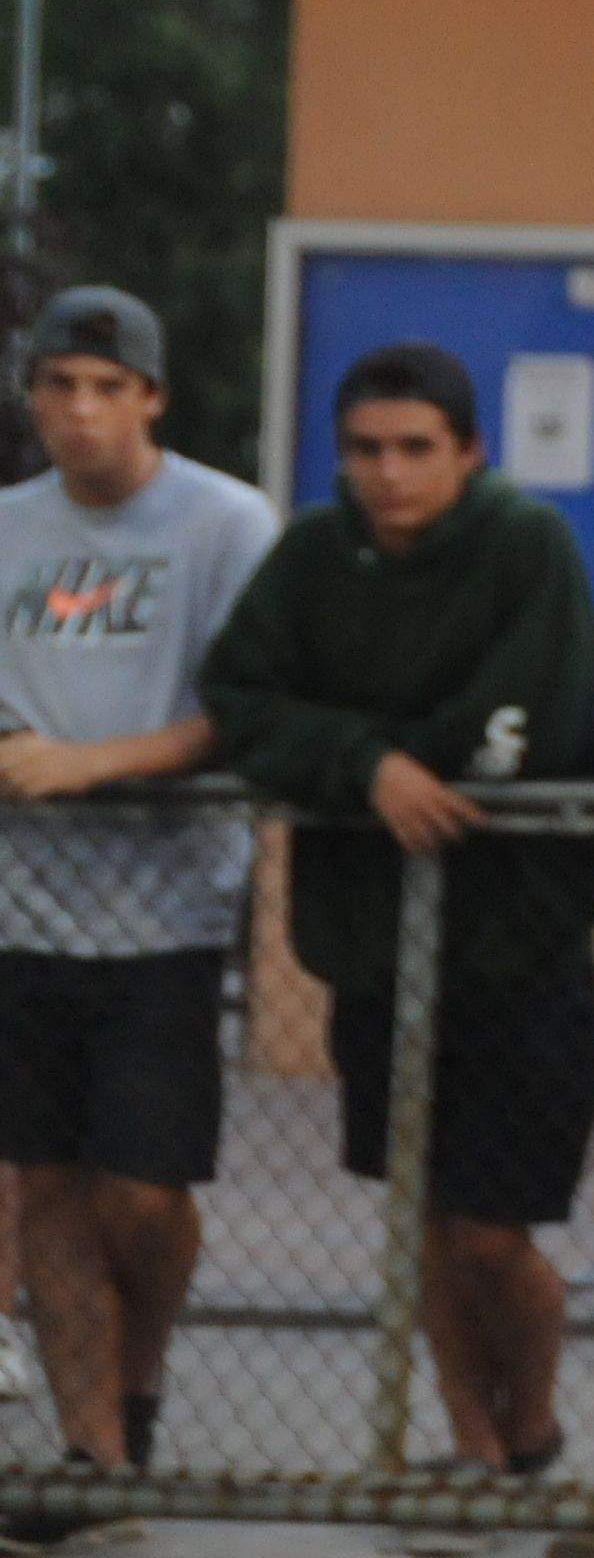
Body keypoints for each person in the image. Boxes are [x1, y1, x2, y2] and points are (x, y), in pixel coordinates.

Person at [200, 341, 594, 1480]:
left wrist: (394, 757)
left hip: (519, 949)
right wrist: (367, 764)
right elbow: (240, 694)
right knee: (421, 1218)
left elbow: (532, 711)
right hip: (376, 952)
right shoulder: (314, 555)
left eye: (416, 449)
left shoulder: (527, 545)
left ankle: (530, 1431)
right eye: (367, 451)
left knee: (492, 1230)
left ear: (468, 452)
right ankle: (468, 1447)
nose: (389, 473)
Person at [0, 288, 276, 1479]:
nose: (81, 410)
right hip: (23, 911)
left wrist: (93, 763)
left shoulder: (224, 521)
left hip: (166, 912)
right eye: (59, 385)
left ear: (152, 397)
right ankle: (94, 1448)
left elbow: (246, 708)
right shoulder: (8, 526)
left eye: (108, 387)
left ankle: (140, 1375)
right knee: (48, 1182)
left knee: (143, 1196)